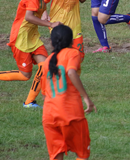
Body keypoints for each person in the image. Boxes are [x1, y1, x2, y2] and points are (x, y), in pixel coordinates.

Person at [41, 25, 96, 160]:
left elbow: (44, 93)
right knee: (82, 154)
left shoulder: (47, 61)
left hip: (49, 116)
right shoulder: (73, 53)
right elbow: (71, 72)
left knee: (56, 156)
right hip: (71, 113)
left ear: (51, 42)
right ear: (71, 41)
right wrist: (86, 98)